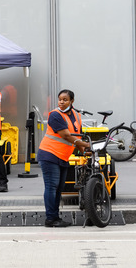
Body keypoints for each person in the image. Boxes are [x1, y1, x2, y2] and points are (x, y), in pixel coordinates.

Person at [37, 89, 89, 227]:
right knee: (51, 187)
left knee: (59, 188)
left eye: (65, 99)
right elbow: (66, 136)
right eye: (60, 99)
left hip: (62, 157)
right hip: (49, 155)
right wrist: (86, 145)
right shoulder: (55, 115)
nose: (61, 102)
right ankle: (51, 219)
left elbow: (76, 137)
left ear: (72, 101)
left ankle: (55, 217)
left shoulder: (77, 116)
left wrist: (84, 152)